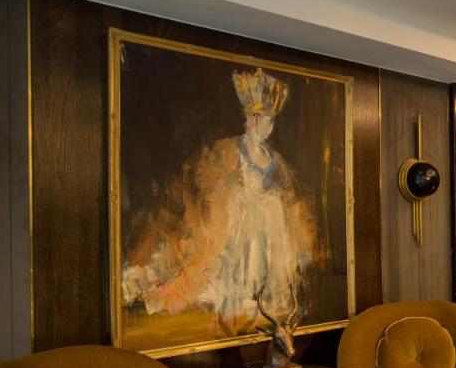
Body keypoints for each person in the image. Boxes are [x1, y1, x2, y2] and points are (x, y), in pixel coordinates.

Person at [122, 68, 321, 335]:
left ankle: (261, 297)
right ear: (247, 120)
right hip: (236, 219)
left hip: (267, 225)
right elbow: (209, 184)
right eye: (255, 118)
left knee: (269, 243)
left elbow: (288, 193)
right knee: (232, 263)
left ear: (271, 125)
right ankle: (236, 297)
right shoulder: (229, 149)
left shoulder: (273, 158)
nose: (260, 125)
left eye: (266, 120)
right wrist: (236, 199)